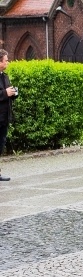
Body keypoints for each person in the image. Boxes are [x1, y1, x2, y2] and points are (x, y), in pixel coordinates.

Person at [0, 48, 18, 182]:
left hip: (4, 118)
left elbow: (7, 92)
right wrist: (6, 93)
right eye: (6, 60)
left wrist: (13, 93)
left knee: (1, 145)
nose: (8, 62)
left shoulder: (4, 76)